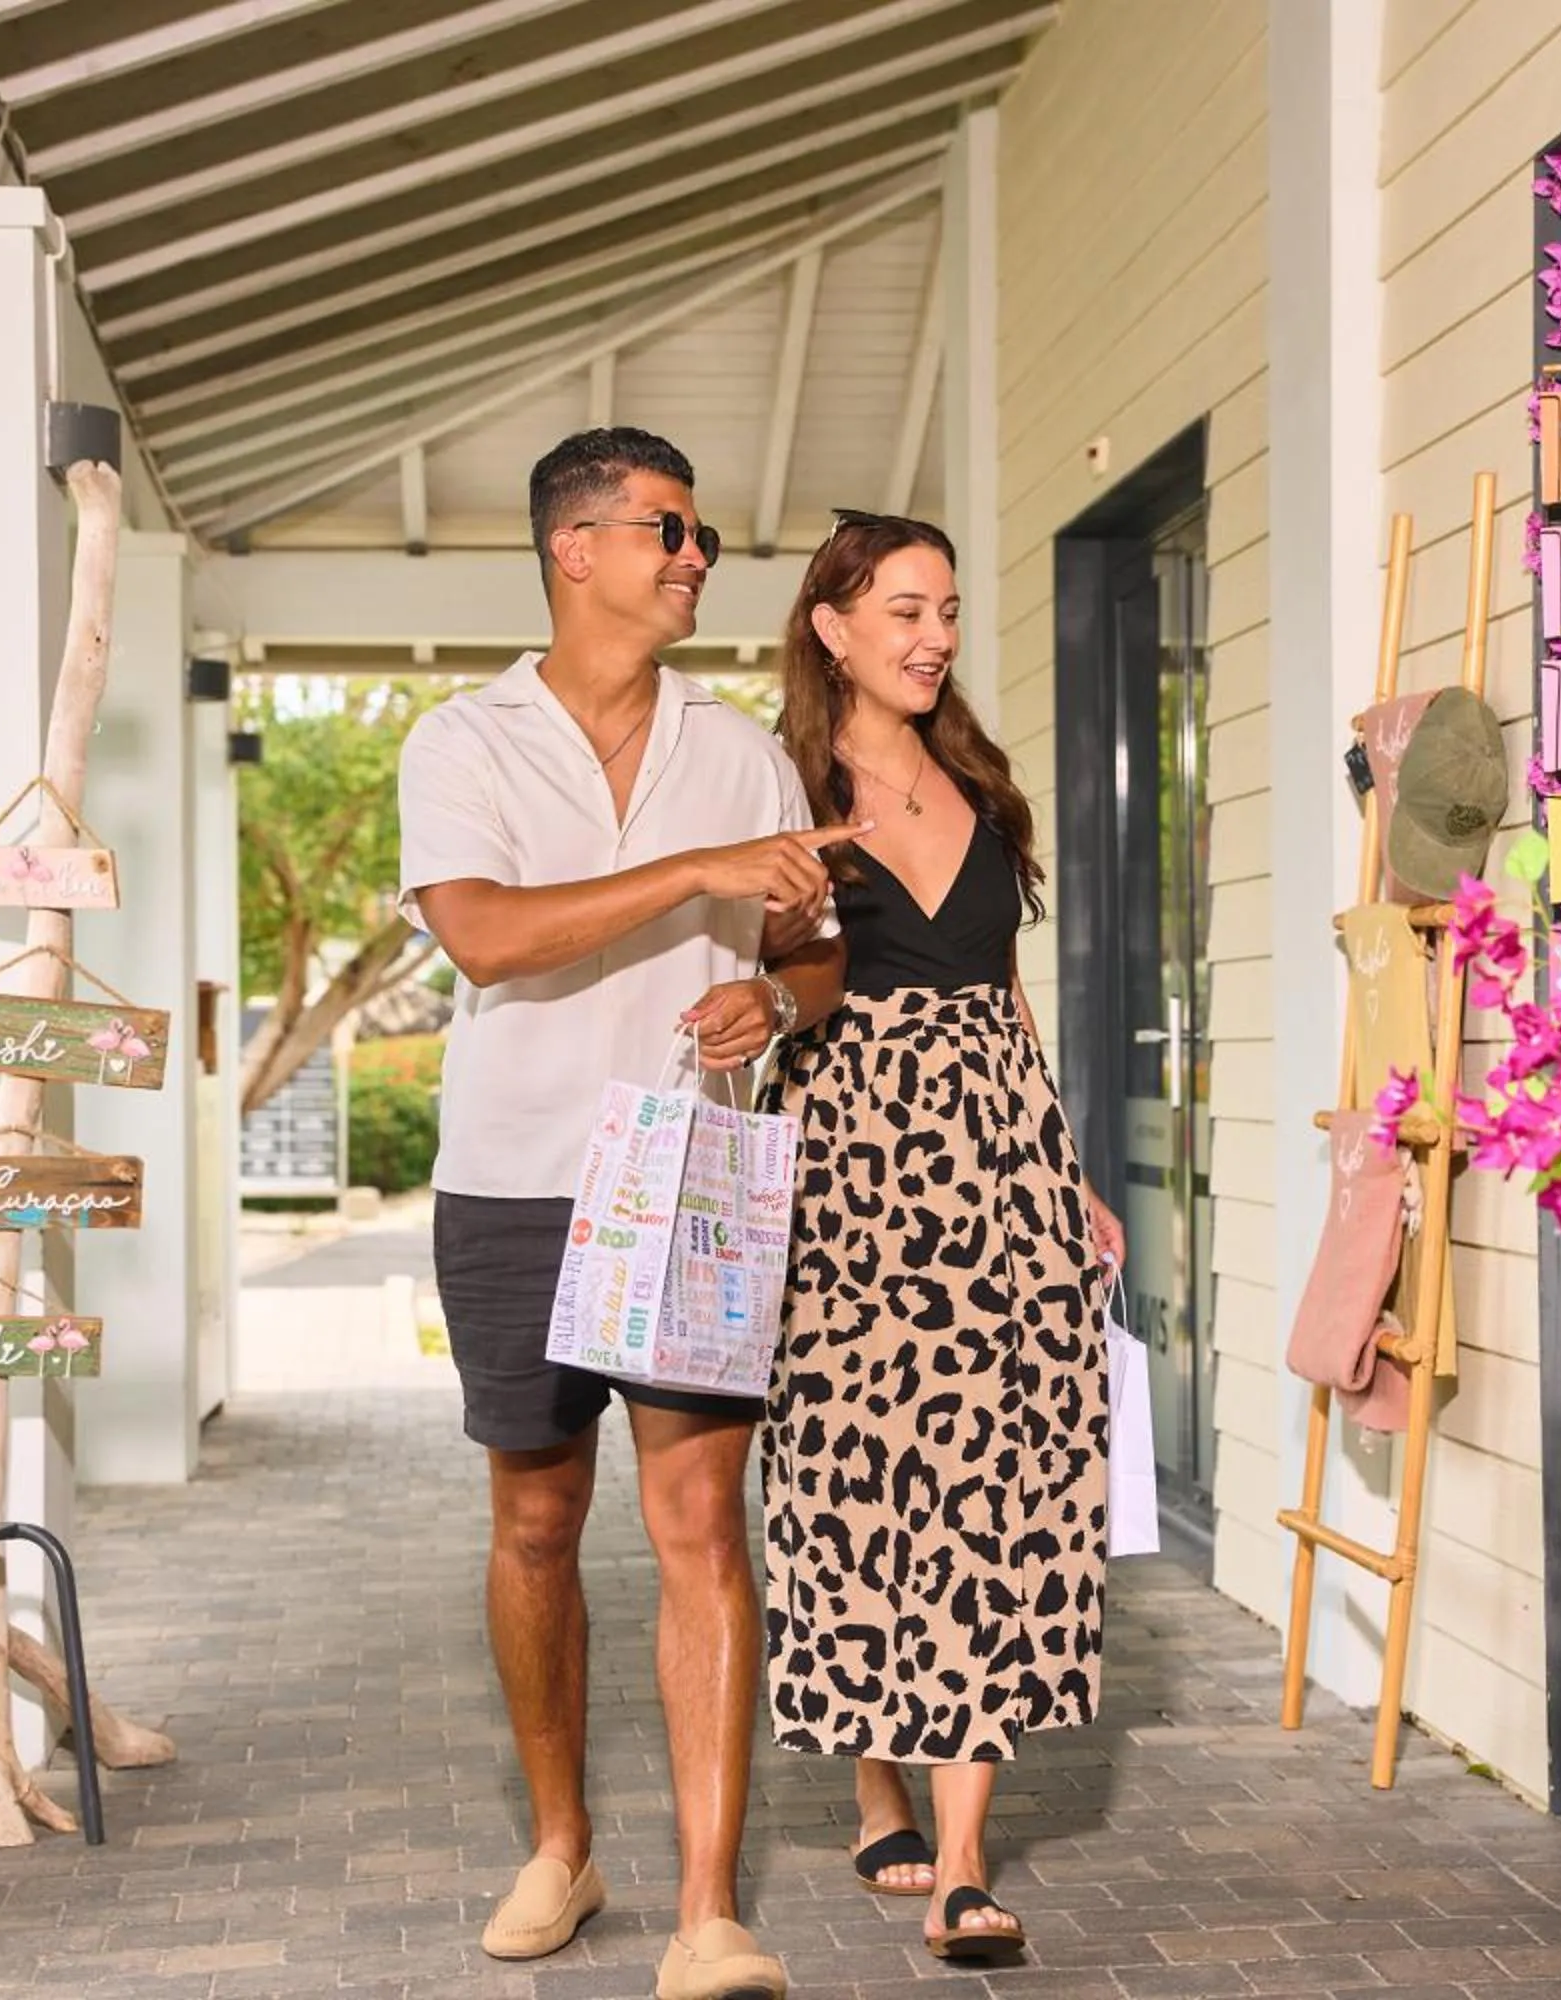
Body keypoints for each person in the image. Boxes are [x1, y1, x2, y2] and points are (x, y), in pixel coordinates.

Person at [396, 428, 857, 2000]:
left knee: (700, 1528)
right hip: (515, 1173)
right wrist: (696, 874)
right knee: (534, 1521)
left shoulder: (743, 750)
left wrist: (777, 1010)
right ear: (574, 549)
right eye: (667, 528)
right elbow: (487, 941)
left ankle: (710, 1914)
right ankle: (560, 1846)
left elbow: (816, 952)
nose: (695, 556)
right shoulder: (460, 741)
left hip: (694, 1172)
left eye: (703, 533)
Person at [761, 510, 1123, 1965]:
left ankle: (966, 1854)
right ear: (832, 625)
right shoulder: (781, 788)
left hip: (998, 1154)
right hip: (847, 1158)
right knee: (854, 1466)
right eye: (905, 609)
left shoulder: (982, 781)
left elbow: (1008, 992)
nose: (934, 637)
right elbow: (775, 985)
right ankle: (873, 1782)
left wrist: (1066, 1163)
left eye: (950, 611)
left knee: (1005, 1463)